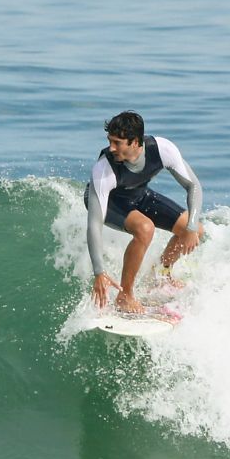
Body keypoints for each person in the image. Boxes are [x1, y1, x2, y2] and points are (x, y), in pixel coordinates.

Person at [84, 111, 203, 313]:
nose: (111, 148)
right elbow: (94, 224)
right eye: (109, 141)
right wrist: (99, 272)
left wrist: (190, 227)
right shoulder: (104, 169)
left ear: (135, 142)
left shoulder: (162, 149)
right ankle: (125, 295)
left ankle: (161, 274)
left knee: (195, 229)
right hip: (111, 202)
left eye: (118, 142)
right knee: (144, 228)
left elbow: (194, 187)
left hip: (139, 195)